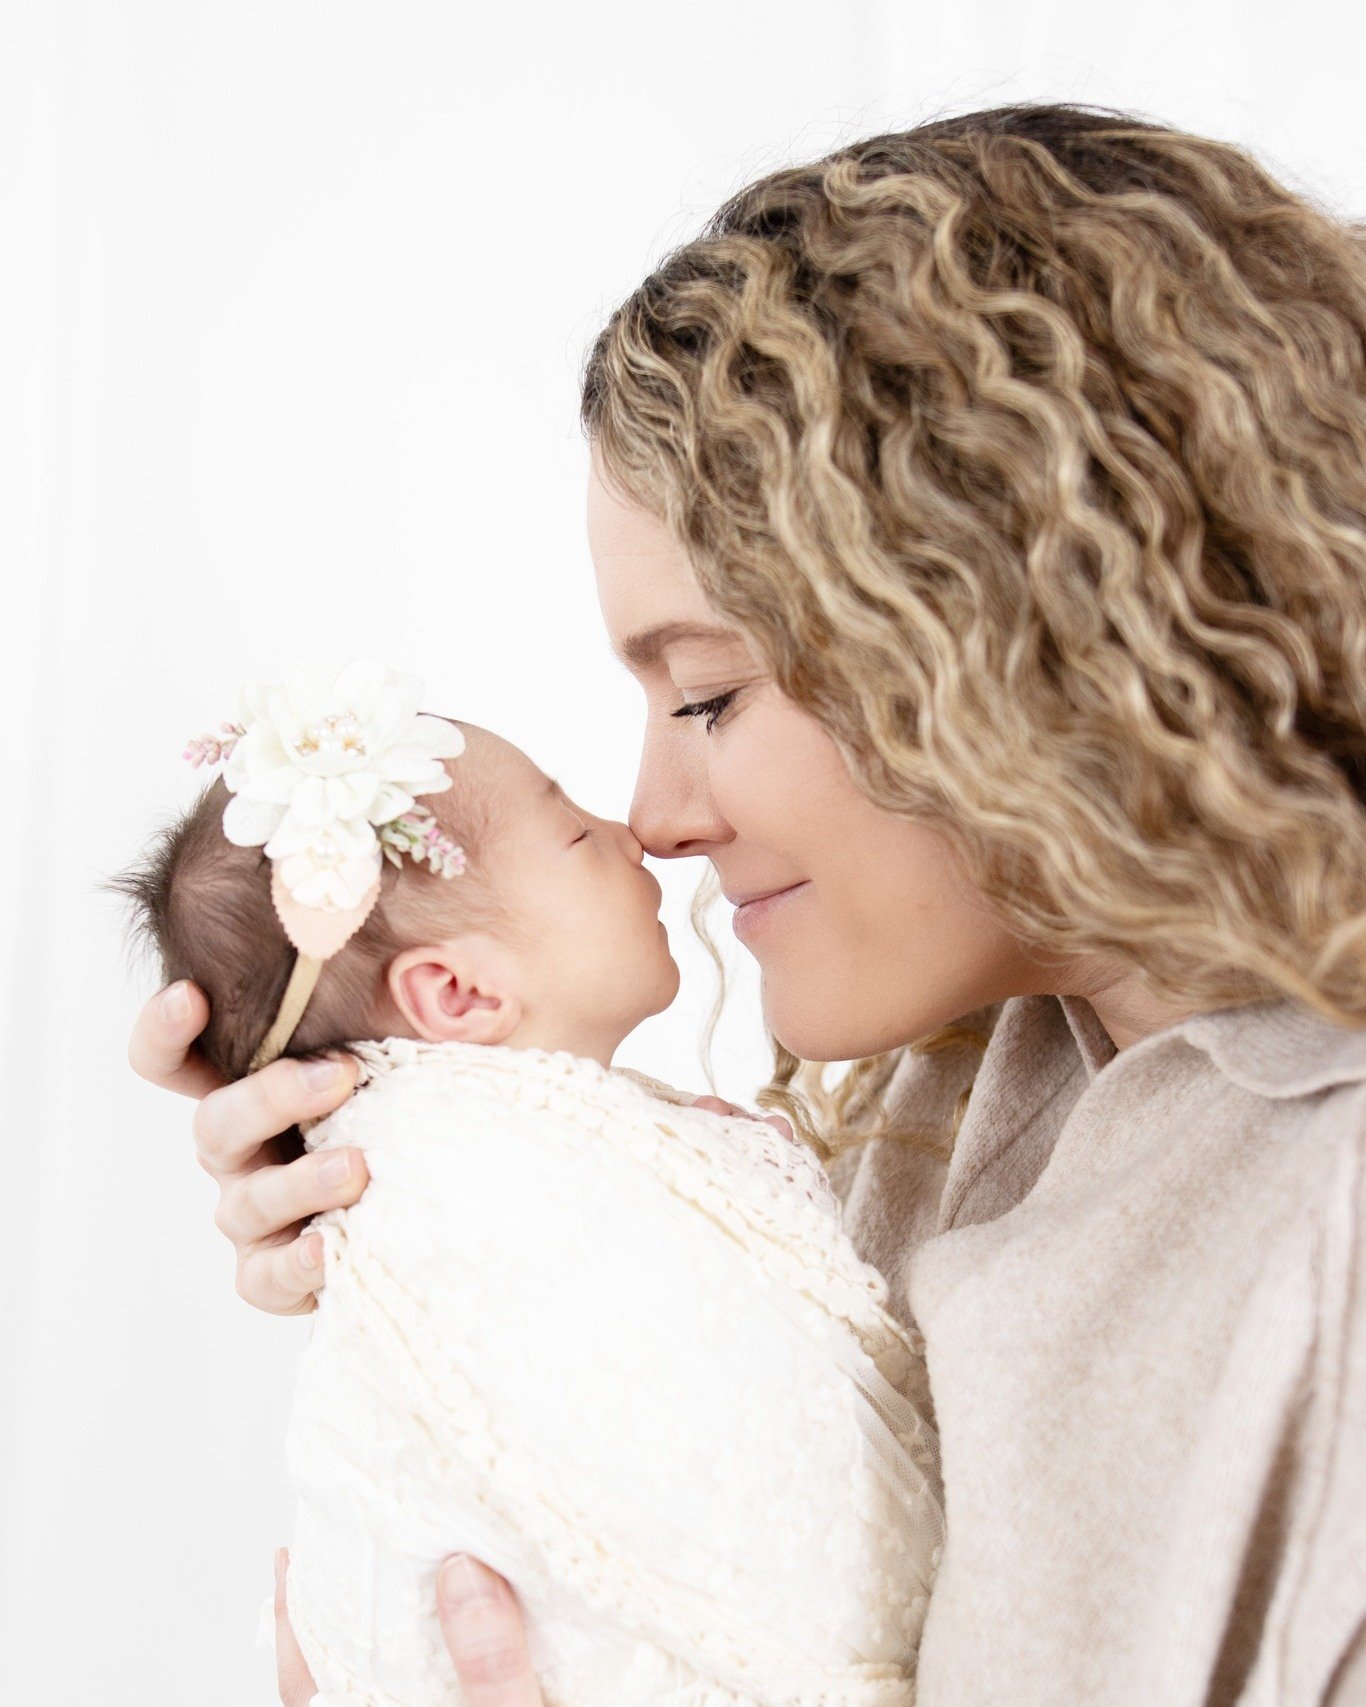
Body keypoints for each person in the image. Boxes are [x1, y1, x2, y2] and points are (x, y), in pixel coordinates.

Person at [129, 100, 1366, 1705]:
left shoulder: (1319, 1219)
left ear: (1030, 630)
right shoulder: (936, 1107)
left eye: (706, 693)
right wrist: (439, 1217)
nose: (653, 814)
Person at [117, 678, 944, 1704]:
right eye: (577, 836)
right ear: (458, 993)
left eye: (712, 696)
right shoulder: (462, 1191)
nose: (635, 832)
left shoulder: (581, 1161)